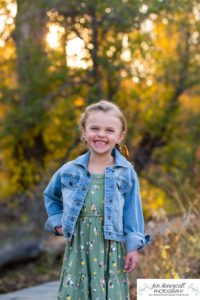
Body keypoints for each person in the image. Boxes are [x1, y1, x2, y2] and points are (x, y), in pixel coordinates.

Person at [43, 100, 150, 300]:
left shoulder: (125, 172)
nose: (101, 134)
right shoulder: (69, 170)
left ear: (120, 136)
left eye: (109, 130)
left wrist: (133, 247)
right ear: (84, 132)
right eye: (94, 128)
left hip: (112, 247)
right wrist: (58, 223)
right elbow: (50, 196)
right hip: (79, 246)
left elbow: (132, 212)